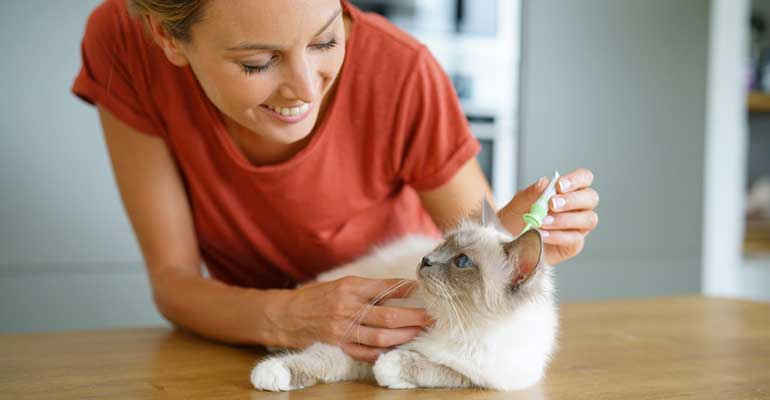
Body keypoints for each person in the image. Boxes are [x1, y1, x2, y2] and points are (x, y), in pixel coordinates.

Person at [72, 0, 599, 362]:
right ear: (169, 39)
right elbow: (173, 281)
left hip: (392, 351)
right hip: (232, 349)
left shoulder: (400, 73)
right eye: (259, 62)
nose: (305, 88)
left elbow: (485, 241)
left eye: (327, 39)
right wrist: (285, 317)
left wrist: (519, 247)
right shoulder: (124, 40)